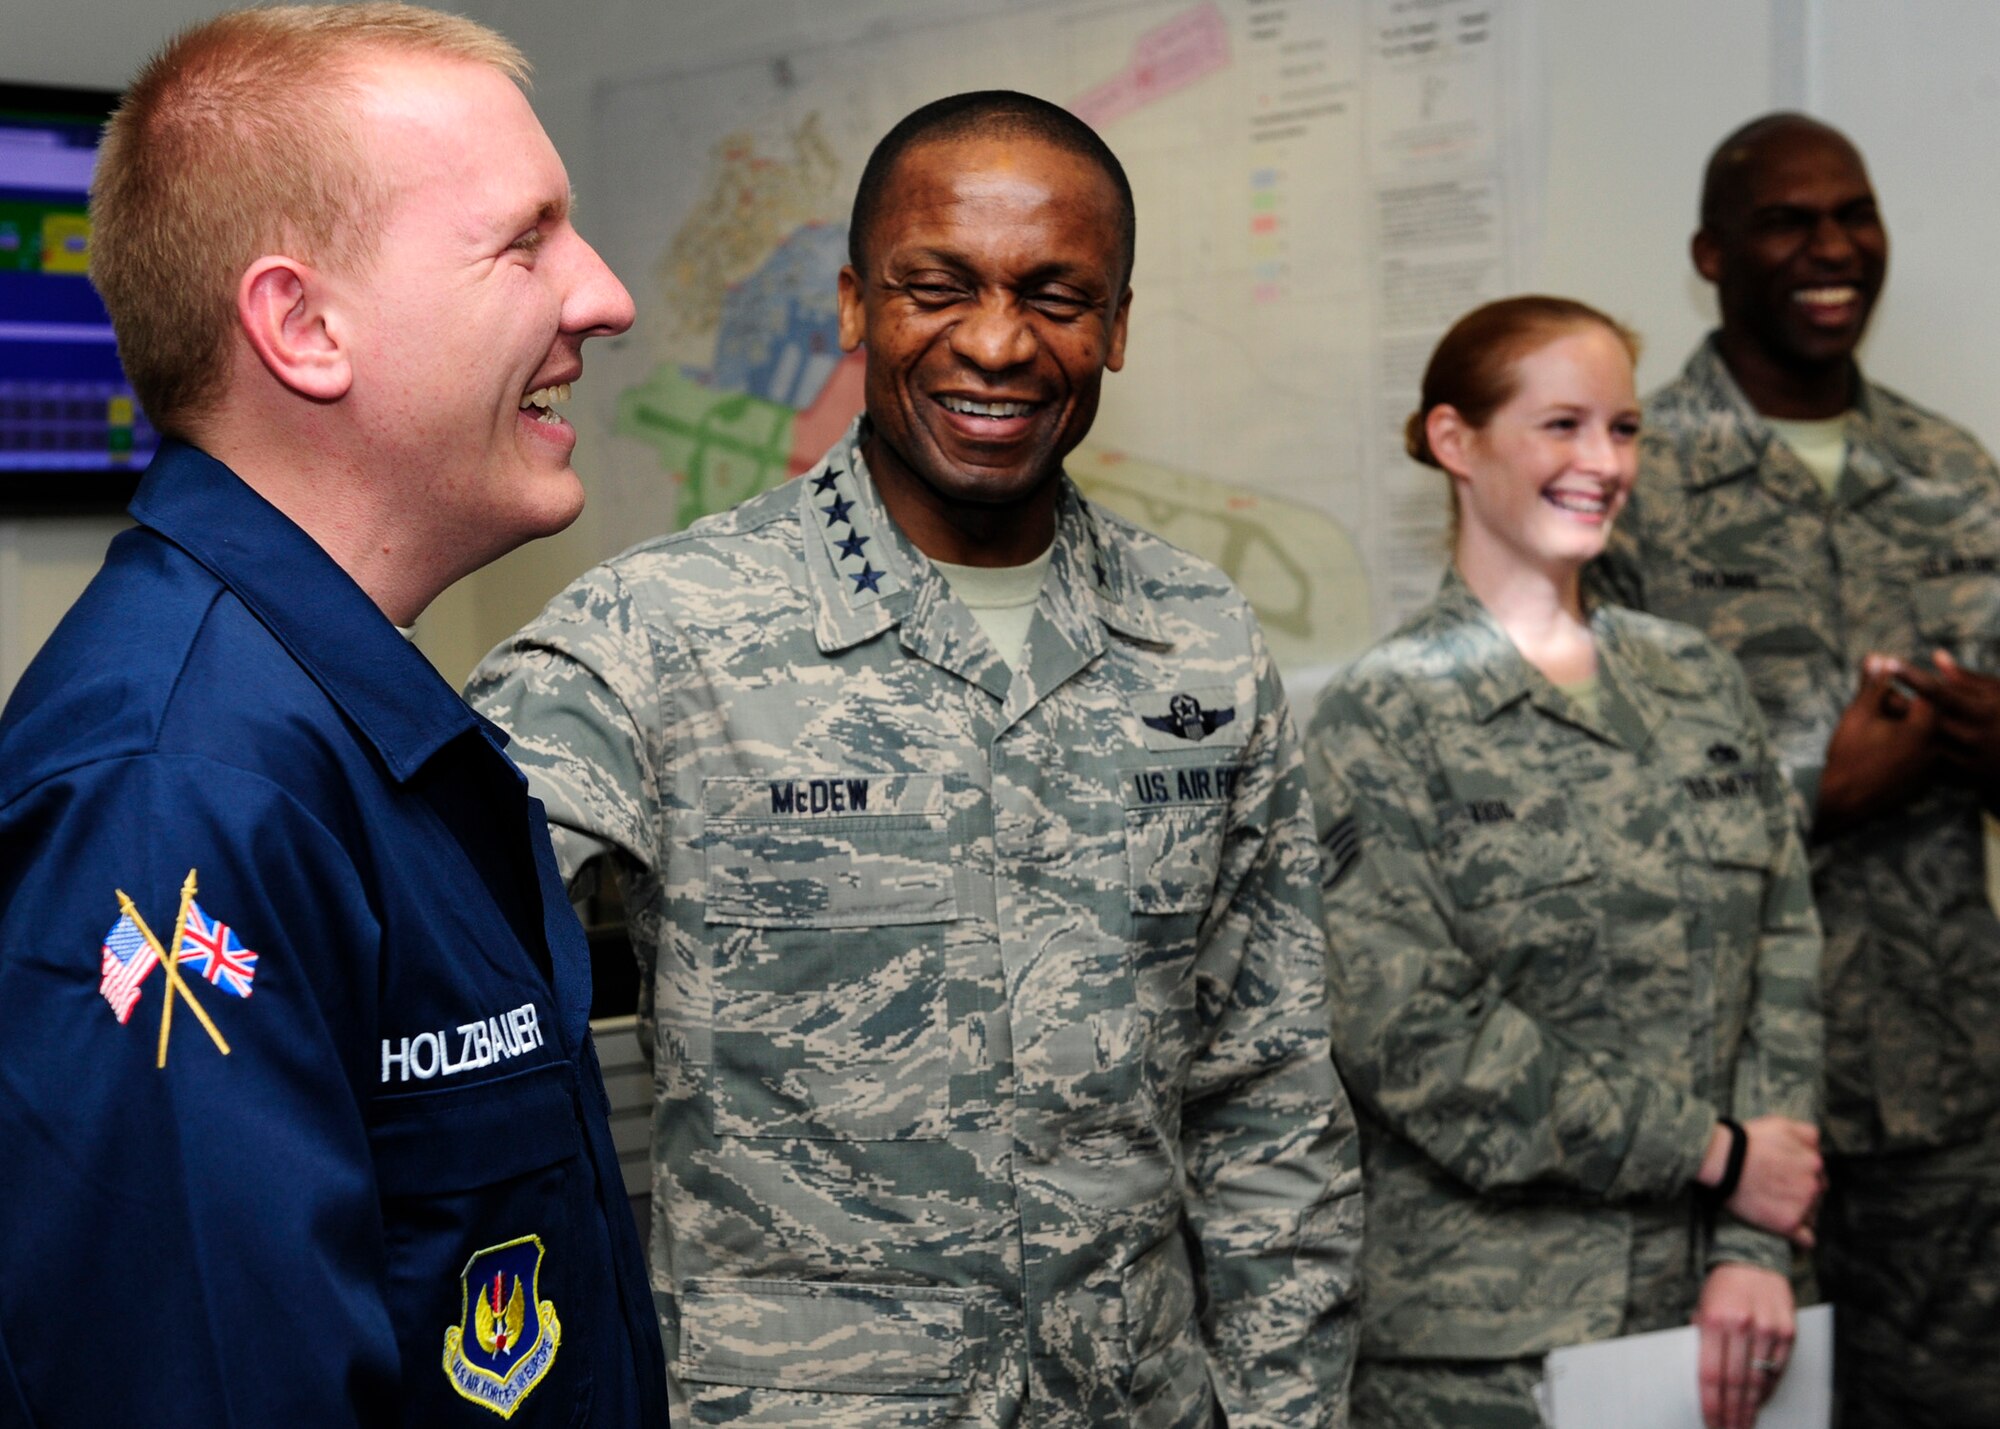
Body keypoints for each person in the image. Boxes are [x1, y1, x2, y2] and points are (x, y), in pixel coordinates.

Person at [468, 90, 1361, 1426]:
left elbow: (1269, 1095)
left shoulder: (1200, 642)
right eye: (937, 287)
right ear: (852, 305)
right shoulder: (663, 634)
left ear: (1115, 324)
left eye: (1056, 297)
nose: (997, 343)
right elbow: (397, 934)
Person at [0, 7, 665, 1424]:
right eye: (527, 241)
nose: (603, 296)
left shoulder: (327, 723)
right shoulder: (182, 786)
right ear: (303, 328)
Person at [1305, 297, 1825, 1429]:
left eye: (1623, 428)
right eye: (1560, 425)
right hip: (1492, 1352)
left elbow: (1783, 961)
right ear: (1454, 440)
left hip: (1726, 1320)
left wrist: (1752, 1239)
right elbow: (1420, 1045)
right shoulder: (1379, 723)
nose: (1602, 461)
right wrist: (1710, 1152)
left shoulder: (1697, 684)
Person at [1594, 113, 2000, 1428]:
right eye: (1789, 220)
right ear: (1713, 253)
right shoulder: (1626, 480)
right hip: (1725, 1110)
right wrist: (1816, 795)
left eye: (1856, 213)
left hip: (1948, 1084)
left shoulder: (1953, 470)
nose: (1833, 247)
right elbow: (1578, 811)